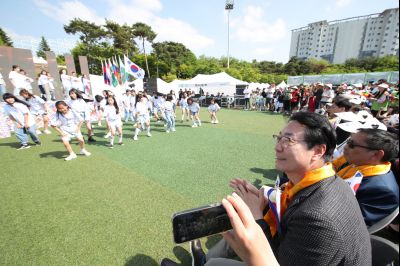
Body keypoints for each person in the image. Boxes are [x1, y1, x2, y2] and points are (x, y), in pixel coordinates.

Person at [187, 112, 371, 266]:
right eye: (279, 138)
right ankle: (202, 261)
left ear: (317, 151)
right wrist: (265, 201)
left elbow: (276, 259)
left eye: (288, 140)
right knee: (238, 232)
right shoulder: (327, 181)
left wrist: (257, 216)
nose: (277, 147)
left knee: (217, 263)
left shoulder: (318, 217)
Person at [333, 128, 399, 226]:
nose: (345, 147)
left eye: (352, 144)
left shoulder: (383, 192)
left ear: (376, 154)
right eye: (348, 141)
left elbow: (348, 223)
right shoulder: (358, 162)